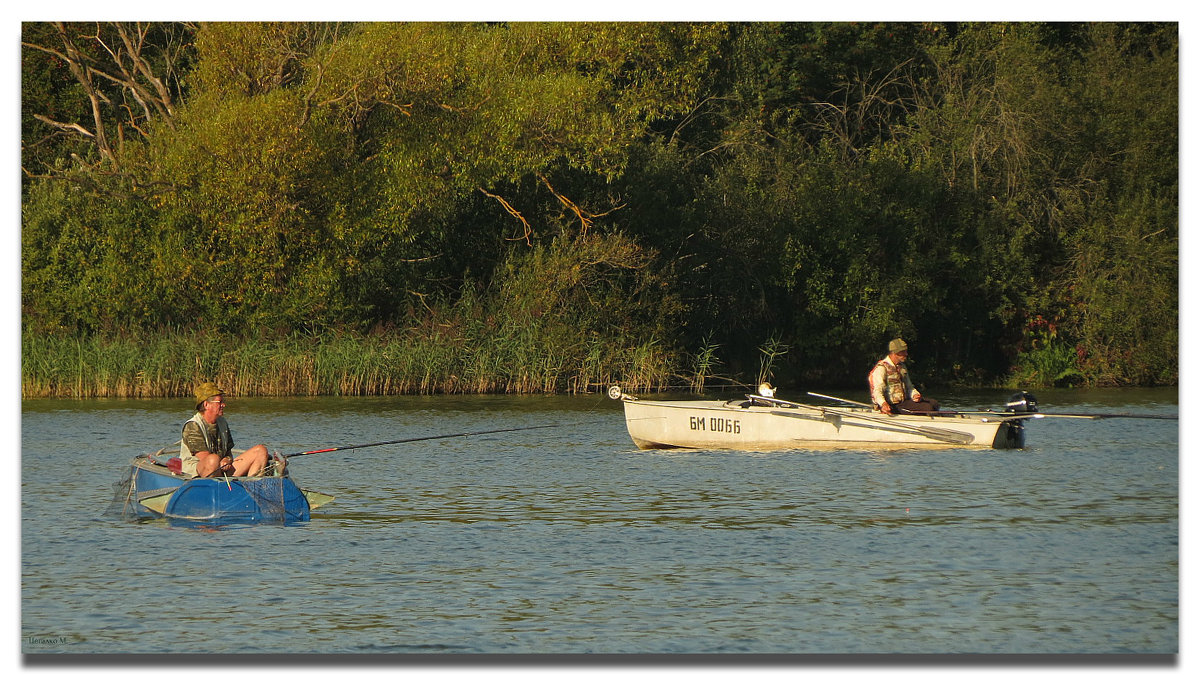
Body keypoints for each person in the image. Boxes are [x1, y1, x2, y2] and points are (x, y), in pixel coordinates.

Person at [180, 382, 276, 478]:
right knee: (213, 460)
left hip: (222, 469)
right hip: (198, 471)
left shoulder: (222, 422)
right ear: (206, 405)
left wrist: (227, 459)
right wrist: (221, 462)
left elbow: (228, 453)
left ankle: (252, 485)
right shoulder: (192, 425)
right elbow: (204, 458)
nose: (223, 405)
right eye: (220, 402)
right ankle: (219, 487)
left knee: (261, 450)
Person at [868, 338, 939, 415]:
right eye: (903, 352)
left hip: (904, 402)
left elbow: (909, 387)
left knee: (934, 403)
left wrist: (915, 395)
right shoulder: (881, 368)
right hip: (893, 405)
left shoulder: (902, 367)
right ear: (895, 353)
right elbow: (877, 391)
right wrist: (883, 404)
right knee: (928, 408)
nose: (906, 354)